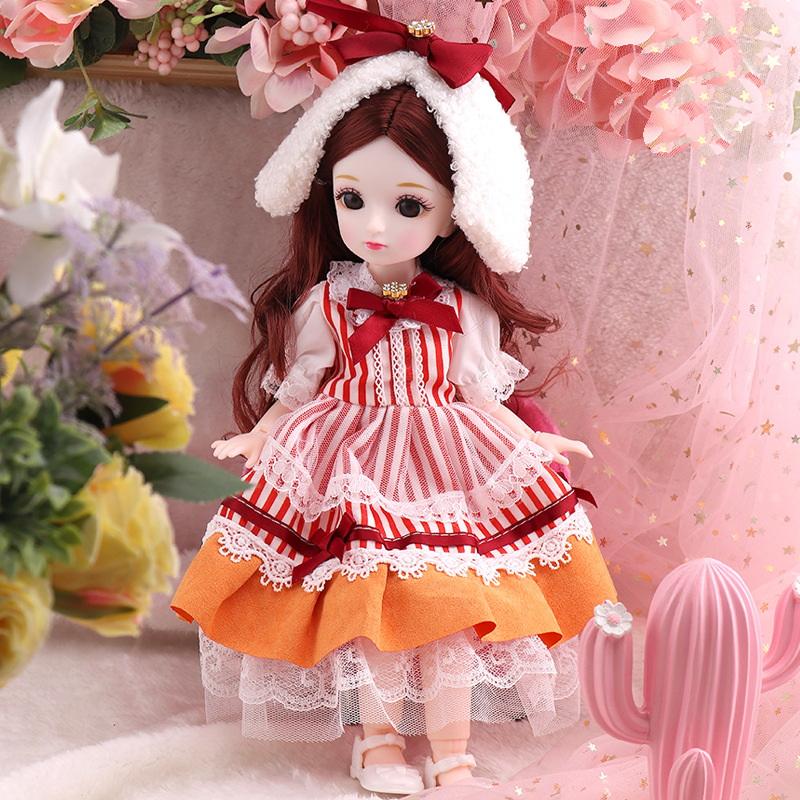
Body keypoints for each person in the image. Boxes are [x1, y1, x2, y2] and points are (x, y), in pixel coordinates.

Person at [171, 2, 617, 793]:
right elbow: (301, 386)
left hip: (449, 463)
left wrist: (532, 441)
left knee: (448, 610)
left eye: (408, 205)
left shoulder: (463, 310)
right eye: (353, 199)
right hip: (349, 462)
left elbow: (480, 395)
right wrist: (261, 436)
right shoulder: (327, 304)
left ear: (452, 209)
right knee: (371, 608)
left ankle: (453, 752)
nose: (374, 224)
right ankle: (377, 742)